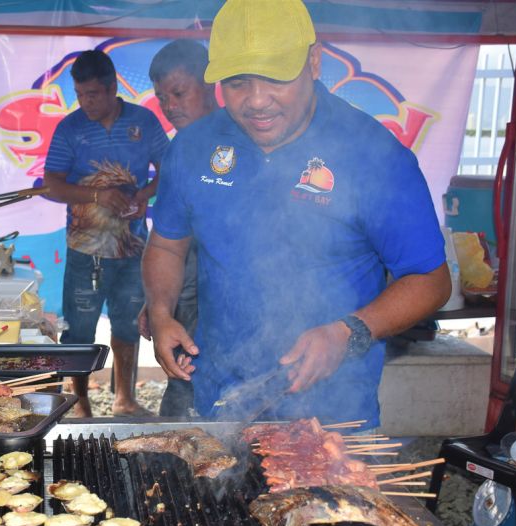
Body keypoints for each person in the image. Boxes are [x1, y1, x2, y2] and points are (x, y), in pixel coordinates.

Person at [142, 0, 451, 429]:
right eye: (236, 82)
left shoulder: (373, 155)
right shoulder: (194, 147)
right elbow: (166, 244)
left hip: (331, 415)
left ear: (314, 61)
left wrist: (348, 332)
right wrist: (160, 311)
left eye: (276, 78)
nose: (255, 101)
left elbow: (430, 280)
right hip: (219, 400)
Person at [44, 49, 168, 417]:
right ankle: (80, 402)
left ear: (113, 87)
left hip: (133, 247)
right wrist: (97, 195)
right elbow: (51, 184)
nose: (86, 103)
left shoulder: (144, 122)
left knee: (130, 323)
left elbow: (169, 169)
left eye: (93, 95)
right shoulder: (70, 128)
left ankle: (124, 399)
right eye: (80, 95)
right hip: (86, 249)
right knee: (79, 330)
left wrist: (145, 196)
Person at [138, 39, 217, 417]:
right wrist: (157, 304)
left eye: (179, 93)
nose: (169, 106)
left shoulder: (242, 142)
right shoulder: (178, 151)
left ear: (211, 84)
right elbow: (167, 243)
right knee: (182, 393)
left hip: (230, 306)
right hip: (186, 298)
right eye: (162, 97)